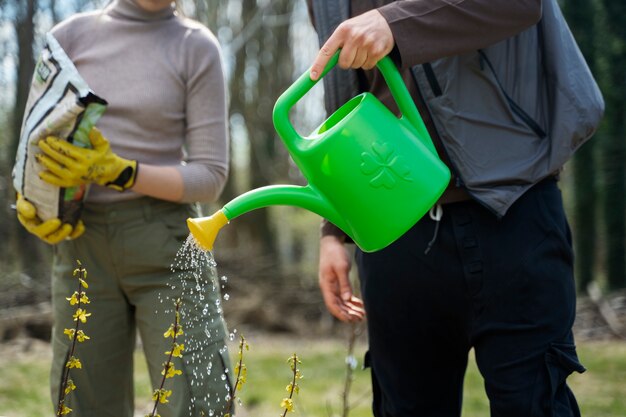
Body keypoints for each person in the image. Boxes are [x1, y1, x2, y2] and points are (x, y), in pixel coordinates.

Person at [307, 1, 604, 416]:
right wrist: (334, 228)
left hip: (516, 211)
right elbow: (341, 98)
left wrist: (393, 24)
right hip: (396, 231)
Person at [14, 0, 232, 416]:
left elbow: (210, 174)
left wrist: (122, 172)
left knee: (200, 404)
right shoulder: (68, 39)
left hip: (168, 244)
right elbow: (37, 148)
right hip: (82, 246)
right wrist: (35, 205)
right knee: (84, 404)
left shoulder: (196, 45)